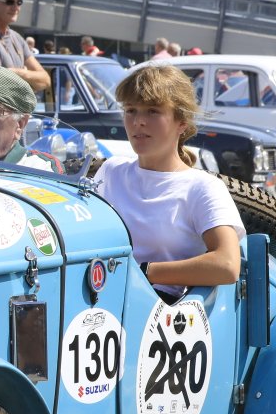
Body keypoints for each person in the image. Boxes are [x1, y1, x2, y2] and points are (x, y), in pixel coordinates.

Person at [95, 64, 244, 296]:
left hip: (164, 308)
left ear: (181, 122)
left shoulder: (203, 187)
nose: (138, 121)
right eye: (131, 110)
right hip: (100, 298)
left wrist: (142, 272)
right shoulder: (110, 171)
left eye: (152, 111)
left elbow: (227, 264)